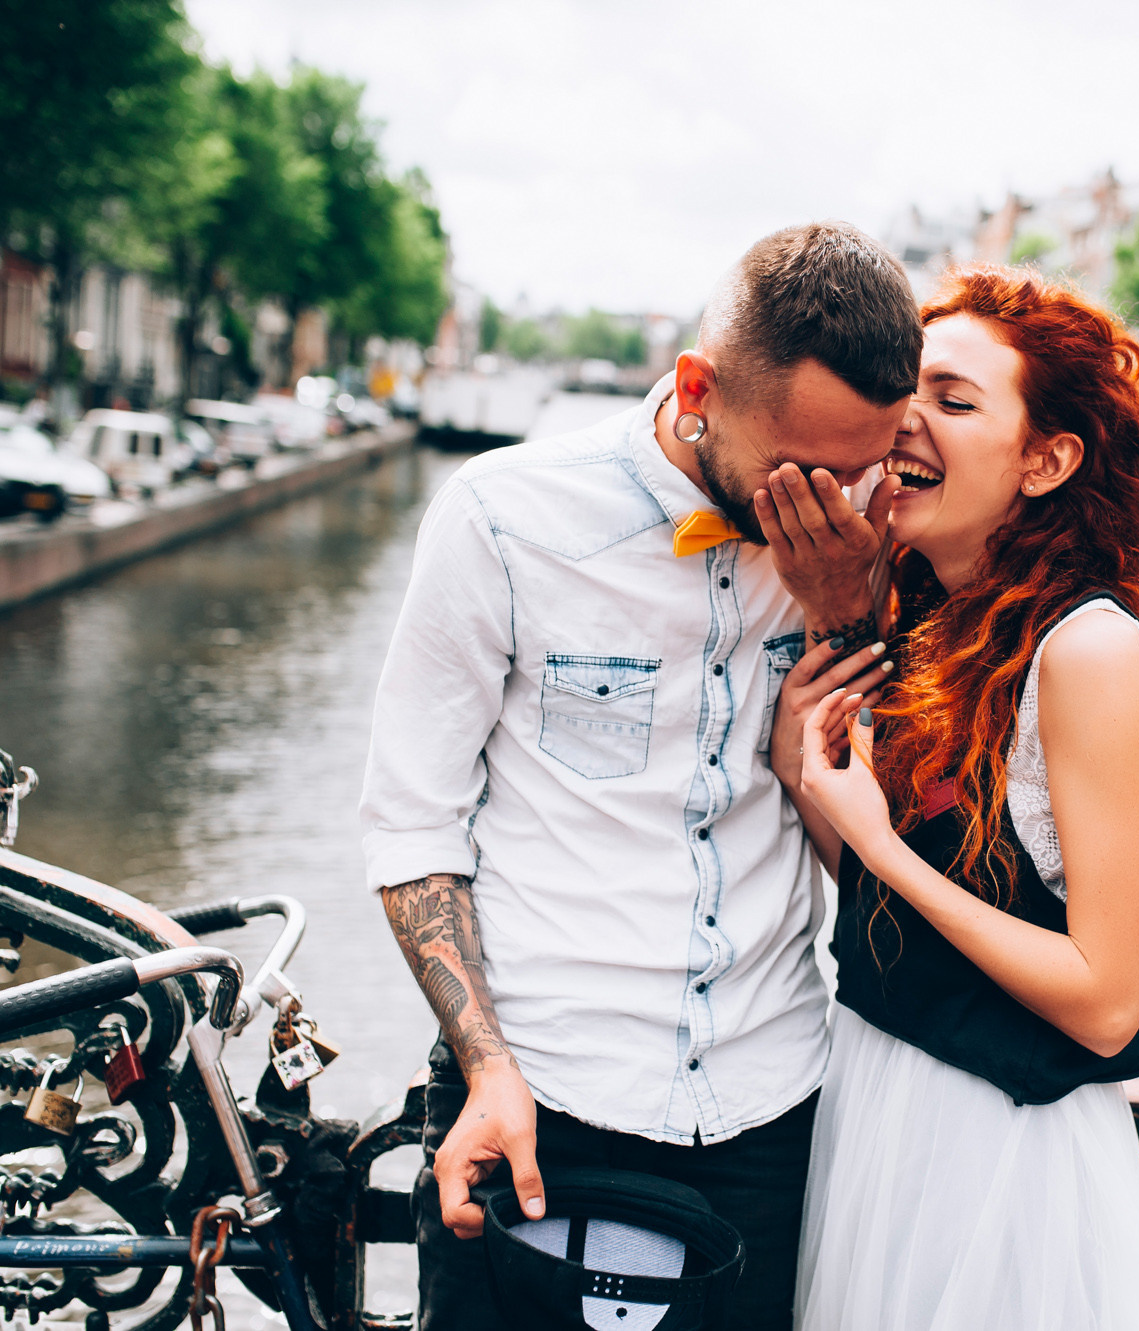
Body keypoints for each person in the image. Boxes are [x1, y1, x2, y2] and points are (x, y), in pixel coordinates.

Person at [359, 220, 923, 1330]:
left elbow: (895, 841)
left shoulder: (870, 541)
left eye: (862, 468)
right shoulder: (503, 518)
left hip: (773, 1102)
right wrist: (485, 1068)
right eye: (801, 471)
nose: (835, 500)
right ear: (697, 387)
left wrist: (844, 609)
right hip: (542, 1097)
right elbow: (413, 823)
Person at [768, 266, 1139, 1329]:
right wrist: (808, 783)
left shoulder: (1086, 646)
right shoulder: (935, 619)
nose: (908, 417)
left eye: (955, 401)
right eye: (907, 389)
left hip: (995, 1146)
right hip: (877, 1091)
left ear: (1046, 460)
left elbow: (1106, 1000)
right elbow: (910, 914)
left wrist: (879, 840)